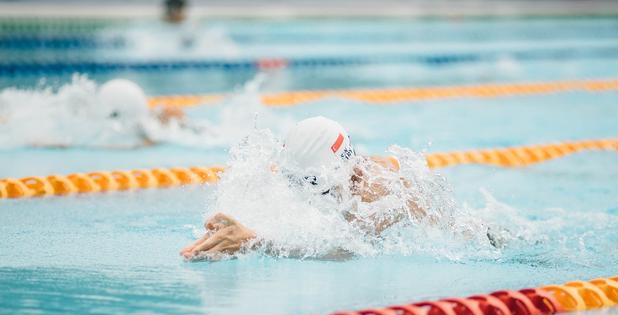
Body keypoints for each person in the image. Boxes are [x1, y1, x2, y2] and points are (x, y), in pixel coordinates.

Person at [180, 116, 507, 261]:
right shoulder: (335, 169)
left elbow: (343, 250)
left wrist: (256, 241)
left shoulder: (378, 191)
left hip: (484, 243)